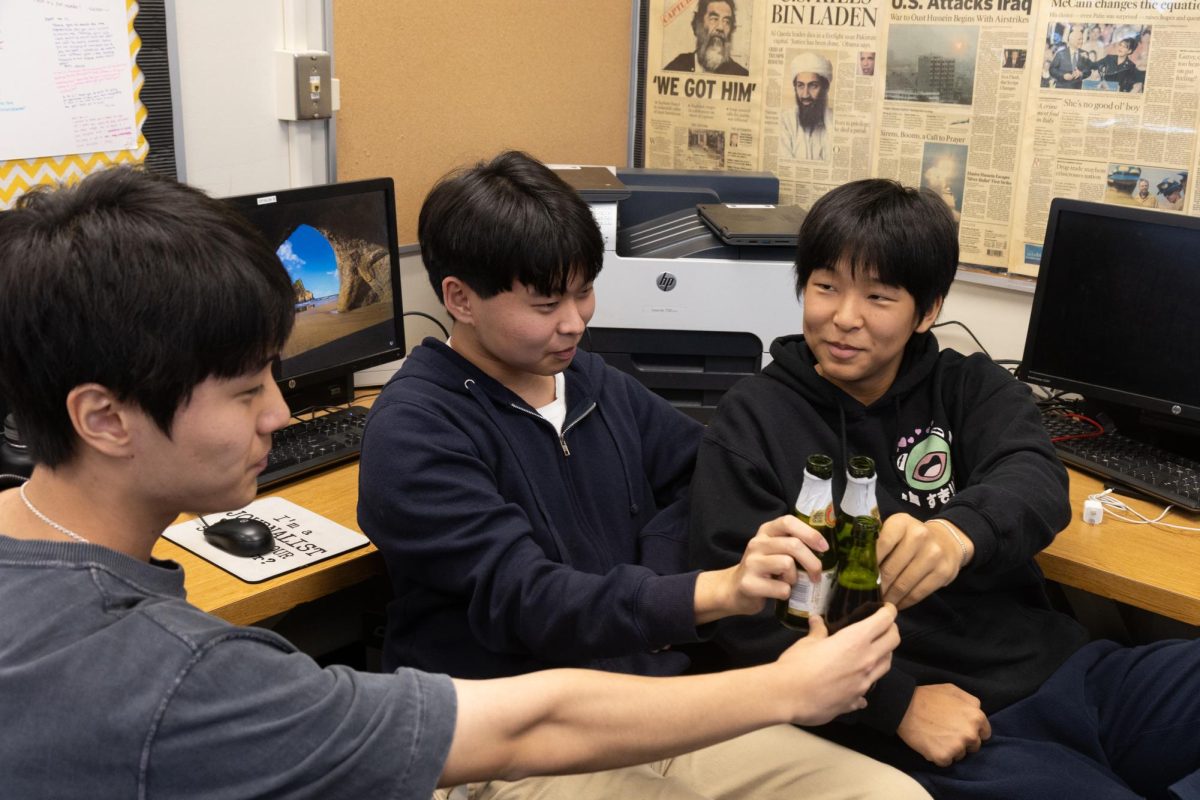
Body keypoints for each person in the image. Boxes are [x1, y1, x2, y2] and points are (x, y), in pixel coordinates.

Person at [0, 166, 903, 798]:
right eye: (247, 390)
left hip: (642, 696)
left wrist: (657, 568)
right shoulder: (184, 677)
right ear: (104, 417)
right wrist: (748, 643)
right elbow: (522, 712)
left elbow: (688, 479)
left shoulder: (593, 385)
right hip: (510, 747)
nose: (280, 415)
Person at [357, 152, 928, 800]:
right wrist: (711, 592)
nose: (575, 321)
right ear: (459, 298)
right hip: (514, 747)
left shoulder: (589, 381)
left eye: (582, 291)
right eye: (547, 303)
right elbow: (531, 600)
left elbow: (702, 473)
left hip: (655, 707)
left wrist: (655, 581)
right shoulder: (417, 429)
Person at [689, 177, 1200, 799]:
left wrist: (957, 534)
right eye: (825, 287)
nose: (843, 318)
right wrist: (895, 706)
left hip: (1068, 673)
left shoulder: (967, 385)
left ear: (927, 310)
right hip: (932, 726)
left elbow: (1036, 477)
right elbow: (741, 626)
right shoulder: (752, 421)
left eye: (878, 296)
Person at [663, 0, 749, 76]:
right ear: (698, 25)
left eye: (726, 21)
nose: (721, 27)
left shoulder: (741, 74)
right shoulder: (678, 66)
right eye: (714, 19)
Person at [781, 52, 833, 160]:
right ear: (795, 87)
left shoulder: (836, 122)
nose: (805, 94)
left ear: (825, 88)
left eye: (813, 86)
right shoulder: (785, 121)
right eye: (800, 85)